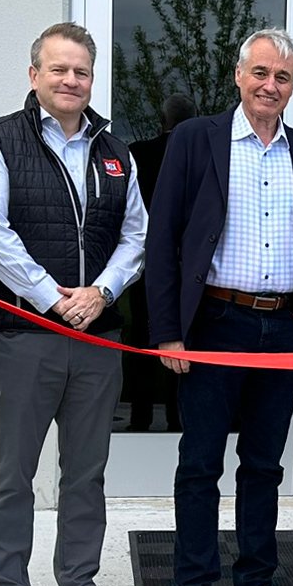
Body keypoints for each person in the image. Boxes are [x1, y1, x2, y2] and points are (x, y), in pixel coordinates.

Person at [145, 28, 293, 586]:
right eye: (260, 73)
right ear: (239, 76)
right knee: (200, 464)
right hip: (213, 325)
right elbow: (164, 240)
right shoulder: (195, 140)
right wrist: (169, 334)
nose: (270, 86)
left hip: (281, 328)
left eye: (282, 77)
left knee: (263, 464)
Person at [0, 21, 146, 586]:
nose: (72, 81)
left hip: (99, 335)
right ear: (34, 74)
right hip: (25, 337)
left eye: (83, 72)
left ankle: (77, 583)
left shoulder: (115, 150)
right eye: (59, 69)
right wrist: (50, 298)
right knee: (14, 471)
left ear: (93, 79)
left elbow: (136, 236)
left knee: (87, 470)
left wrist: (101, 293)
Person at [124, 93, 198, 433]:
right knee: (187, 344)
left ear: (161, 121)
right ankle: (176, 416)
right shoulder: (202, 154)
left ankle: (140, 416)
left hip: (144, 263)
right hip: (192, 268)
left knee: (142, 338)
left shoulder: (139, 153)